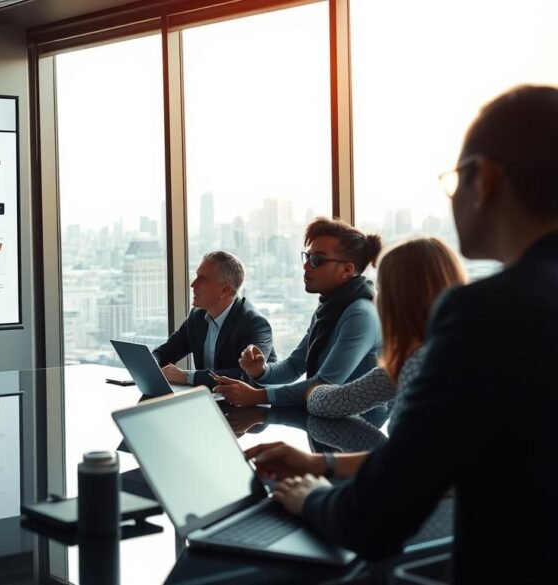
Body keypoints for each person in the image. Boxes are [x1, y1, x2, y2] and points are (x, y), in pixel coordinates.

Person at [246, 85, 558, 583]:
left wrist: (309, 496)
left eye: (455, 180)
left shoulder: (484, 314)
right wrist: (319, 463)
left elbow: (374, 520)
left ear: (486, 180)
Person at [214, 217, 383, 406]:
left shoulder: (360, 315)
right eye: (307, 256)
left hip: (360, 428)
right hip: (326, 419)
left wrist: (257, 395)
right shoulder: (330, 307)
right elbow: (294, 366)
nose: (306, 265)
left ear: (346, 269)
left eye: (317, 259)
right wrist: (260, 371)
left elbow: (324, 385)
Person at [304, 237, 466, 420]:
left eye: (381, 289)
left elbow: (332, 403)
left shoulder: (412, 363)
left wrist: (312, 391)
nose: (376, 298)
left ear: (398, 298)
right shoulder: (469, 351)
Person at [152, 251, 276, 388]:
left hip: (253, 406)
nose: (193, 284)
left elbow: (245, 375)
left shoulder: (255, 324)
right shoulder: (197, 316)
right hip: (210, 400)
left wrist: (186, 377)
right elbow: (165, 352)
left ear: (225, 290)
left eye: (202, 279)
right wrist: (151, 366)